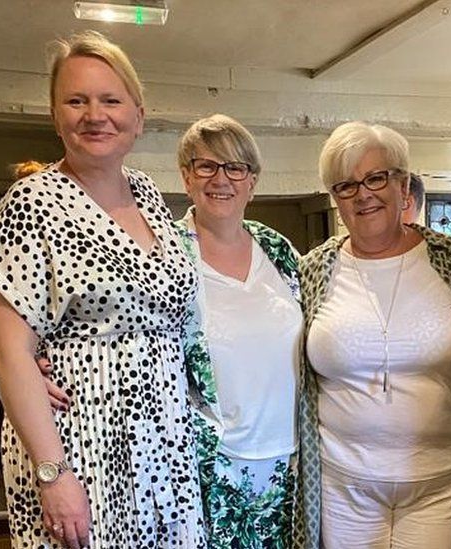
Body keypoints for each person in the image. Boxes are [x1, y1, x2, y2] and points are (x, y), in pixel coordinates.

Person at [0, 31, 203, 548]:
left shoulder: (146, 193)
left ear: (138, 116)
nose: (95, 115)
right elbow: (8, 352)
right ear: (56, 116)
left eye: (110, 100)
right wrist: (54, 474)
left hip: (160, 444)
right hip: (80, 445)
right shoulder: (31, 202)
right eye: (76, 101)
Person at [296, 121, 451, 549]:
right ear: (336, 199)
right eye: (346, 185)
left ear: (403, 185)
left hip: (439, 484)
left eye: (376, 177)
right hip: (343, 487)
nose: (363, 194)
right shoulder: (312, 271)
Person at [173, 114, 305, 548]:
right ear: (187, 176)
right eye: (206, 166)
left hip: (292, 463)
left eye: (235, 167)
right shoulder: (166, 255)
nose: (221, 179)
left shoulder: (278, 249)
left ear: (252, 181)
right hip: (210, 469)